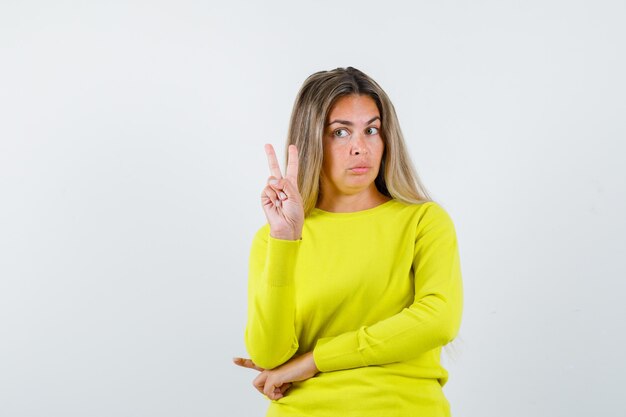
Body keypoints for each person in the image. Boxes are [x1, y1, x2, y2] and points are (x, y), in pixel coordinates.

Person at [233, 66, 463, 417]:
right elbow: (269, 355)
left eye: (372, 130)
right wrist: (285, 240)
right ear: (312, 141)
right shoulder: (273, 238)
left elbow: (437, 320)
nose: (360, 148)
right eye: (340, 133)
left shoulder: (422, 221)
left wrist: (314, 361)